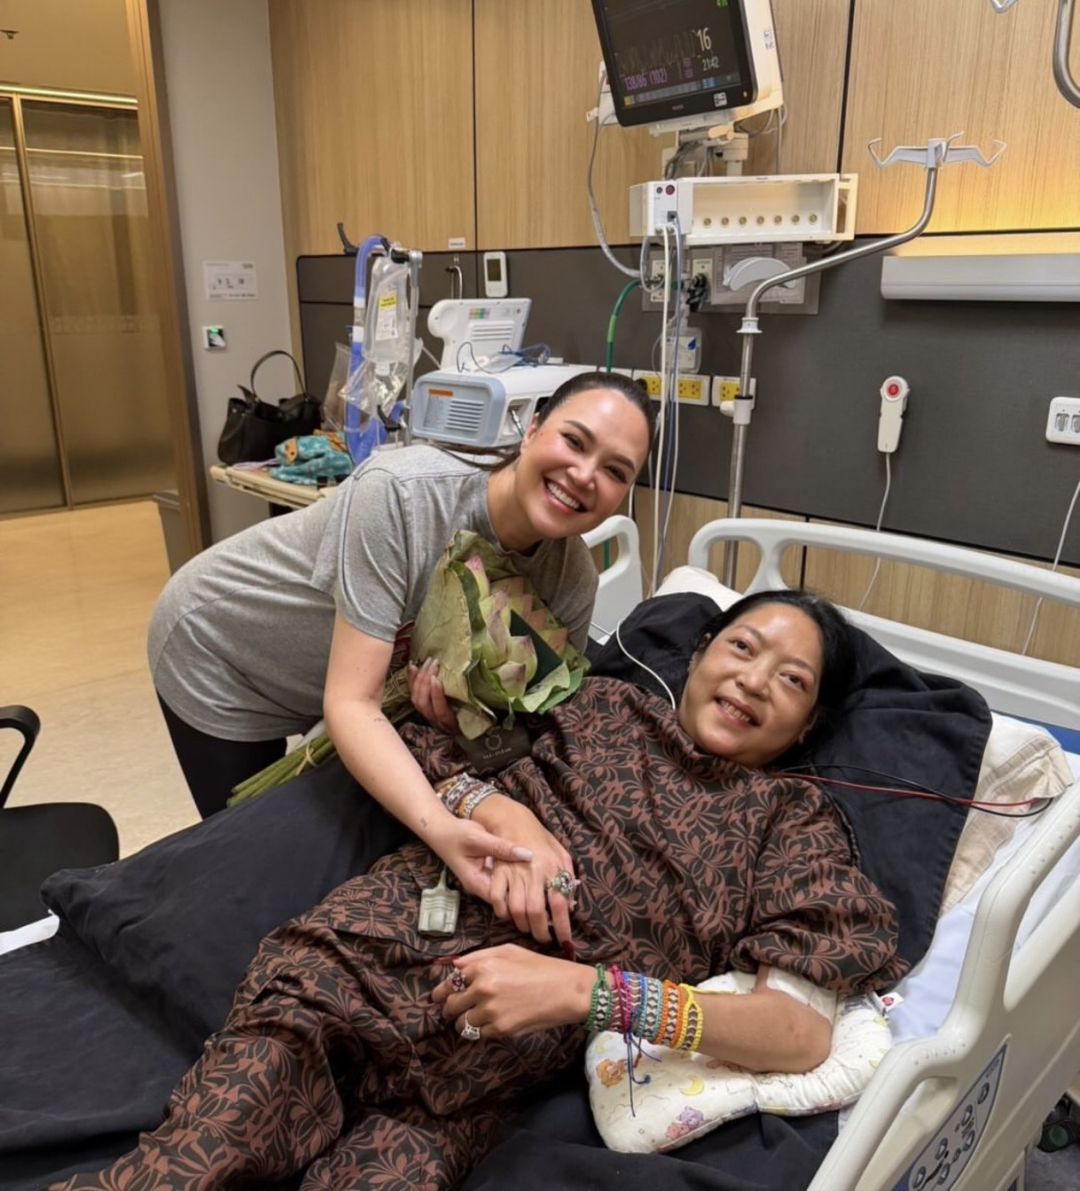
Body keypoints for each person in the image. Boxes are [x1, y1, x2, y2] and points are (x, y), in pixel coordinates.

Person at [54, 591, 907, 1191]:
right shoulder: (595, 706)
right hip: (360, 968)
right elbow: (426, 750)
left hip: (472, 1085)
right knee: (192, 1162)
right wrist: (492, 804)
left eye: (792, 679)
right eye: (743, 647)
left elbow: (797, 1034)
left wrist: (590, 993)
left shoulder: (791, 825)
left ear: (809, 724)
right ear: (700, 654)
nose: (753, 680)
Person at [149, 370, 654, 906]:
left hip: (334, 676)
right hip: (220, 649)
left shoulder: (571, 583)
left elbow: (526, 723)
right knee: (253, 862)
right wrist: (441, 827)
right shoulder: (402, 496)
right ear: (531, 430)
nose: (584, 475)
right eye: (574, 441)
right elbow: (351, 703)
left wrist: (459, 721)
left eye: (615, 471)